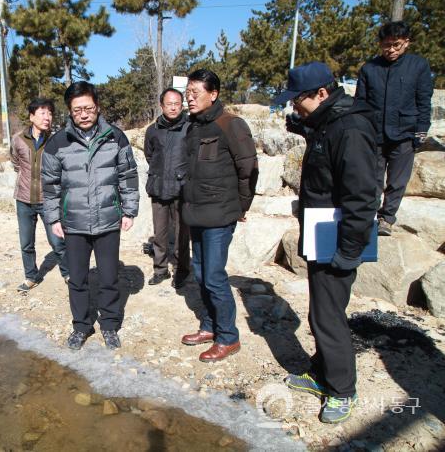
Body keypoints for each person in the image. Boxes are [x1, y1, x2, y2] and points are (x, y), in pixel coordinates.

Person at [274, 62, 378, 424]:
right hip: (322, 233)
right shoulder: (327, 123)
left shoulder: (350, 128)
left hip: (338, 239)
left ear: (321, 93)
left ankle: (341, 391)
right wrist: (302, 125)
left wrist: (349, 250)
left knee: (328, 316)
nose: (294, 106)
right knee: (321, 310)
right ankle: (321, 372)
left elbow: (363, 196)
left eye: (298, 100)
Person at [41, 81, 139, 351]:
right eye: (77, 110)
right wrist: (53, 219)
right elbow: (50, 185)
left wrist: (129, 210)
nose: (83, 114)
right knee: (78, 278)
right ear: (69, 112)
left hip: (109, 220)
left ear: (97, 107)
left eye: (88, 108)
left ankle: (109, 324)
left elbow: (128, 175)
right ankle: (81, 326)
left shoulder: (115, 136)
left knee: (109, 277)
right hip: (74, 223)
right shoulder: (57, 143)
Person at [179, 69, 258, 363]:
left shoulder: (231, 125)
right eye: (188, 93)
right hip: (196, 214)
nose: (189, 99)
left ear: (213, 94)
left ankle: (228, 337)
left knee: (213, 276)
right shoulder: (192, 127)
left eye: (195, 93)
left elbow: (248, 170)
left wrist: (241, 207)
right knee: (200, 274)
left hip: (220, 215)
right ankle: (210, 326)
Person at [355, 21, 433, 236]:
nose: (390, 50)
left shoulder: (419, 66)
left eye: (396, 45)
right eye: (386, 45)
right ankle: (367, 217)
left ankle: (387, 219)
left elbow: (424, 101)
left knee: (397, 181)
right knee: (372, 179)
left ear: (406, 43)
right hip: (374, 134)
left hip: (405, 133)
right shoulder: (369, 68)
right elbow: (360, 103)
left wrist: (421, 130)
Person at [10, 97, 69, 292]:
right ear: (32, 116)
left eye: (50, 113)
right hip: (24, 199)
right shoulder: (18, 139)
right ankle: (31, 276)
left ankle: (68, 273)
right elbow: (15, 162)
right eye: (43, 113)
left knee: (57, 241)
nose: (48, 117)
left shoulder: (56, 140)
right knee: (26, 242)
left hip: (48, 200)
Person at [144, 88, 191, 288]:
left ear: (182, 106)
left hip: (182, 188)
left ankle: (182, 270)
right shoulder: (152, 130)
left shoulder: (190, 127)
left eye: (177, 104)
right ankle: (160, 269)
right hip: (159, 186)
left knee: (182, 233)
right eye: (169, 104)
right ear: (161, 105)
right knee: (160, 232)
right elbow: (149, 154)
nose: (173, 107)